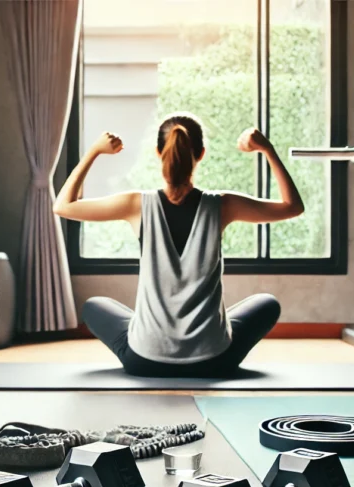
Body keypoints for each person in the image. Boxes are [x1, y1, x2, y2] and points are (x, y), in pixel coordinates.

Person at [53, 112, 304, 377]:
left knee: (94, 306)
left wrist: (94, 152)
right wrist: (267, 149)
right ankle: (208, 335)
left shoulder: (136, 204)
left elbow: (63, 206)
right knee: (266, 303)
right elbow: (293, 206)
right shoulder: (222, 205)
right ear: (201, 154)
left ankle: (163, 338)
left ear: (159, 153)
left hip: (144, 360)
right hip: (214, 360)